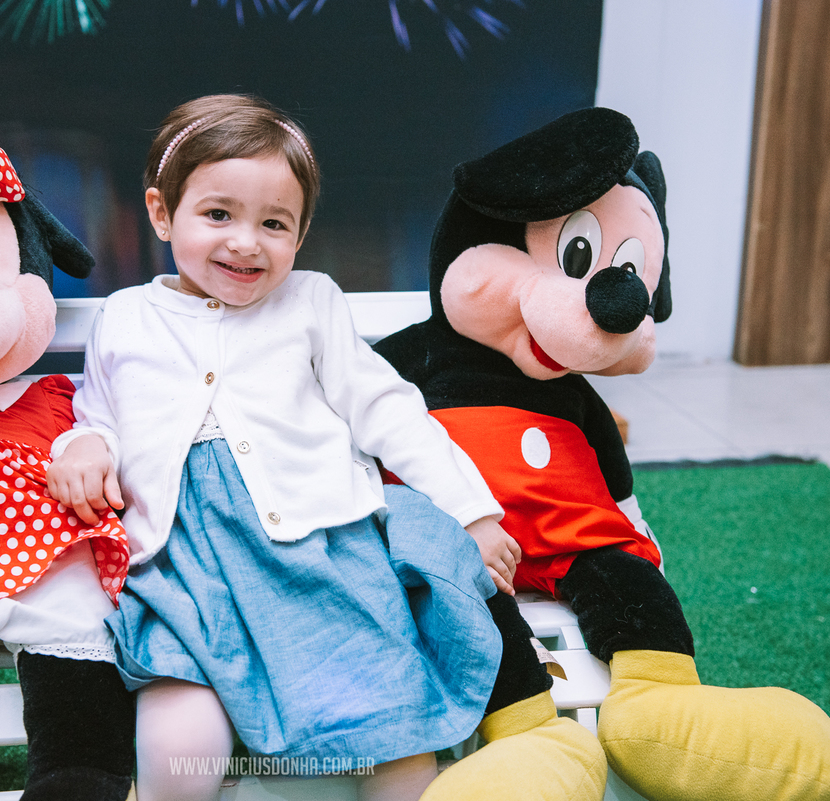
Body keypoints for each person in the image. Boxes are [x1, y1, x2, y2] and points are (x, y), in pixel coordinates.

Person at [46, 94, 520, 801]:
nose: (246, 242)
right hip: (186, 570)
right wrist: (85, 445)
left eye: (274, 223)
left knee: (389, 727)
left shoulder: (310, 301)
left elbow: (388, 409)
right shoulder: (127, 316)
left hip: (320, 558)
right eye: (218, 214)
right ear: (161, 213)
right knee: (180, 743)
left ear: (300, 235)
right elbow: (101, 411)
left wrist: (471, 512)